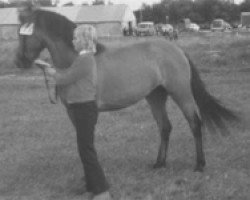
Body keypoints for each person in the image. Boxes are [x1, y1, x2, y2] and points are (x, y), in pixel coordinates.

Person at [44, 25, 111, 200]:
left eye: (75, 38)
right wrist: (56, 72)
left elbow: (67, 78)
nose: (73, 41)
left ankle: (102, 192)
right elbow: (70, 74)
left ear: (84, 40)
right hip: (82, 108)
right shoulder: (82, 58)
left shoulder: (86, 59)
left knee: (87, 150)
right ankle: (92, 187)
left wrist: (53, 74)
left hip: (84, 109)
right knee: (84, 150)